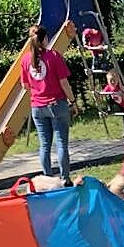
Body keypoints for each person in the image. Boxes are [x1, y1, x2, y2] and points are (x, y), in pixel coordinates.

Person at [20, 23, 78, 187]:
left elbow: (25, 85)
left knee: (44, 145)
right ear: (45, 38)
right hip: (56, 104)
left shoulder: (25, 60)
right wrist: (73, 101)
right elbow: (64, 83)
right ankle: (65, 179)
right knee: (61, 143)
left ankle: (47, 179)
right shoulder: (53, 56)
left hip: (37, 107)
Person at [102, 71, 124, 137]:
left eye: (114, 80)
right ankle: (109, 109)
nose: (112, 82)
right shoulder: (108, 87)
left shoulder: (120, 86)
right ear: (107, 81)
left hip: (123, 104)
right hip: (115, 102)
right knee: (108, 97)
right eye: (110, 80)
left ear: (118, 80)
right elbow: (103, 93)